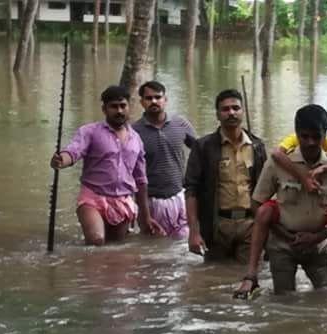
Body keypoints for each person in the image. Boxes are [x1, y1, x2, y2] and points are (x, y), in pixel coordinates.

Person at [234, 104, 327, 297]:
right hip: (282, 246)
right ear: (296, 134)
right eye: (304, 136)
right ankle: (251, 276)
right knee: (283, 301)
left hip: (318, 247)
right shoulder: (277, 164)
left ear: (325, 135)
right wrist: (285, 235)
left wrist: (316, 238)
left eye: (316, 137)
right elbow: (256, 205)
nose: (311, 142)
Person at [50, 85, 164, 245]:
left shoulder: (136, 139)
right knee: (97, 241)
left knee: (115, 248)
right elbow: (74, 151)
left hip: (122, 201)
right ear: (104, 109)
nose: (119, 111)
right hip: (92, 197)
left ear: (129, 107)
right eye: (114, 107)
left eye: (123, 106)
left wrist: (145, 218)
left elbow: (141, 180)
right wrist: (62, 160)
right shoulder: (90, 132)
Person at [184, 89, 267, 262]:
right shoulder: (203, 147)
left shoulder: (257, 146)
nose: (231, 113)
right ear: (217, 114)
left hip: (249, 225)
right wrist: (194, 231)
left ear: (243, 112)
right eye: (225, 109)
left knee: (248, 275)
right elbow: (191, 190)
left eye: (236, 108)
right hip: (217, 226)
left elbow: (266, 188)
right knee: (214, 278)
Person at [132, 80, 196, 239]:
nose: (154, 101)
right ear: (142, 102)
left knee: (183, 246)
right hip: (151, 201)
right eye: (149, 98)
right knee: (154, 246)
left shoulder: (180, 124)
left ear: (165, 100)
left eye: (157, 97)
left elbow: (200, 152)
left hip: (179, 196)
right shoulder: (134, 132)